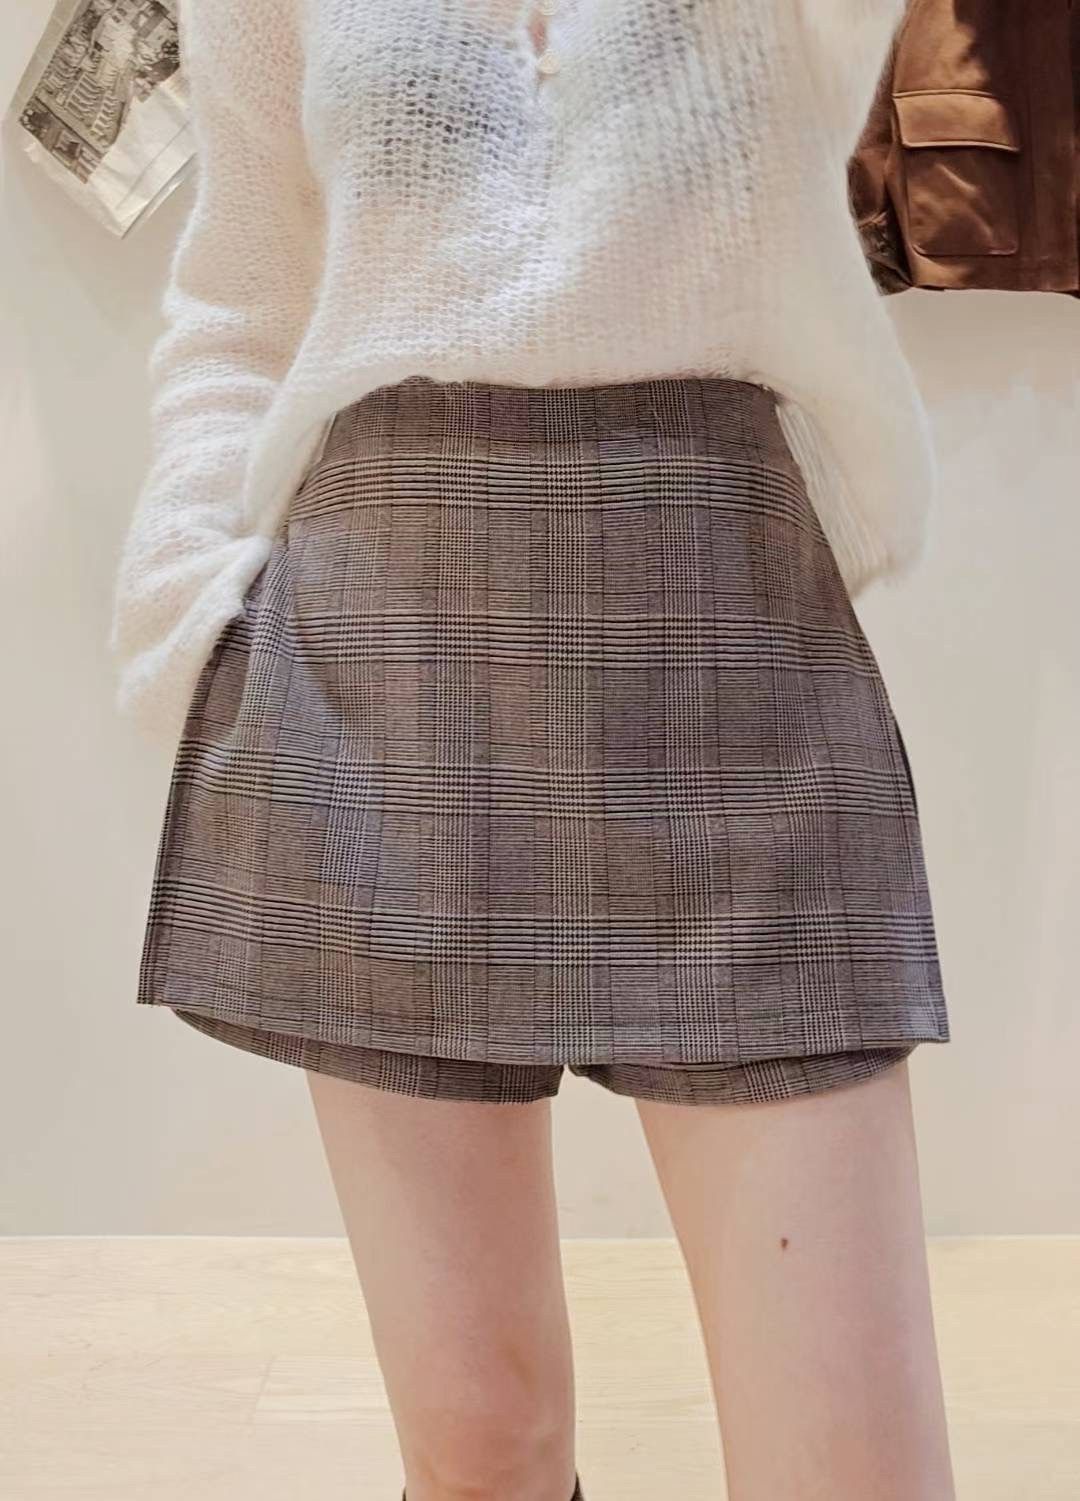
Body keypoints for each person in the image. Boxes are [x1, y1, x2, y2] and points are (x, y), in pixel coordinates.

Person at [108, 2, 956, 1497]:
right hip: (376, 673)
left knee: (853, 1469)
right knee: (480, 1445)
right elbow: (239, 297)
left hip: (728, 644)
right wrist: (198, 619)